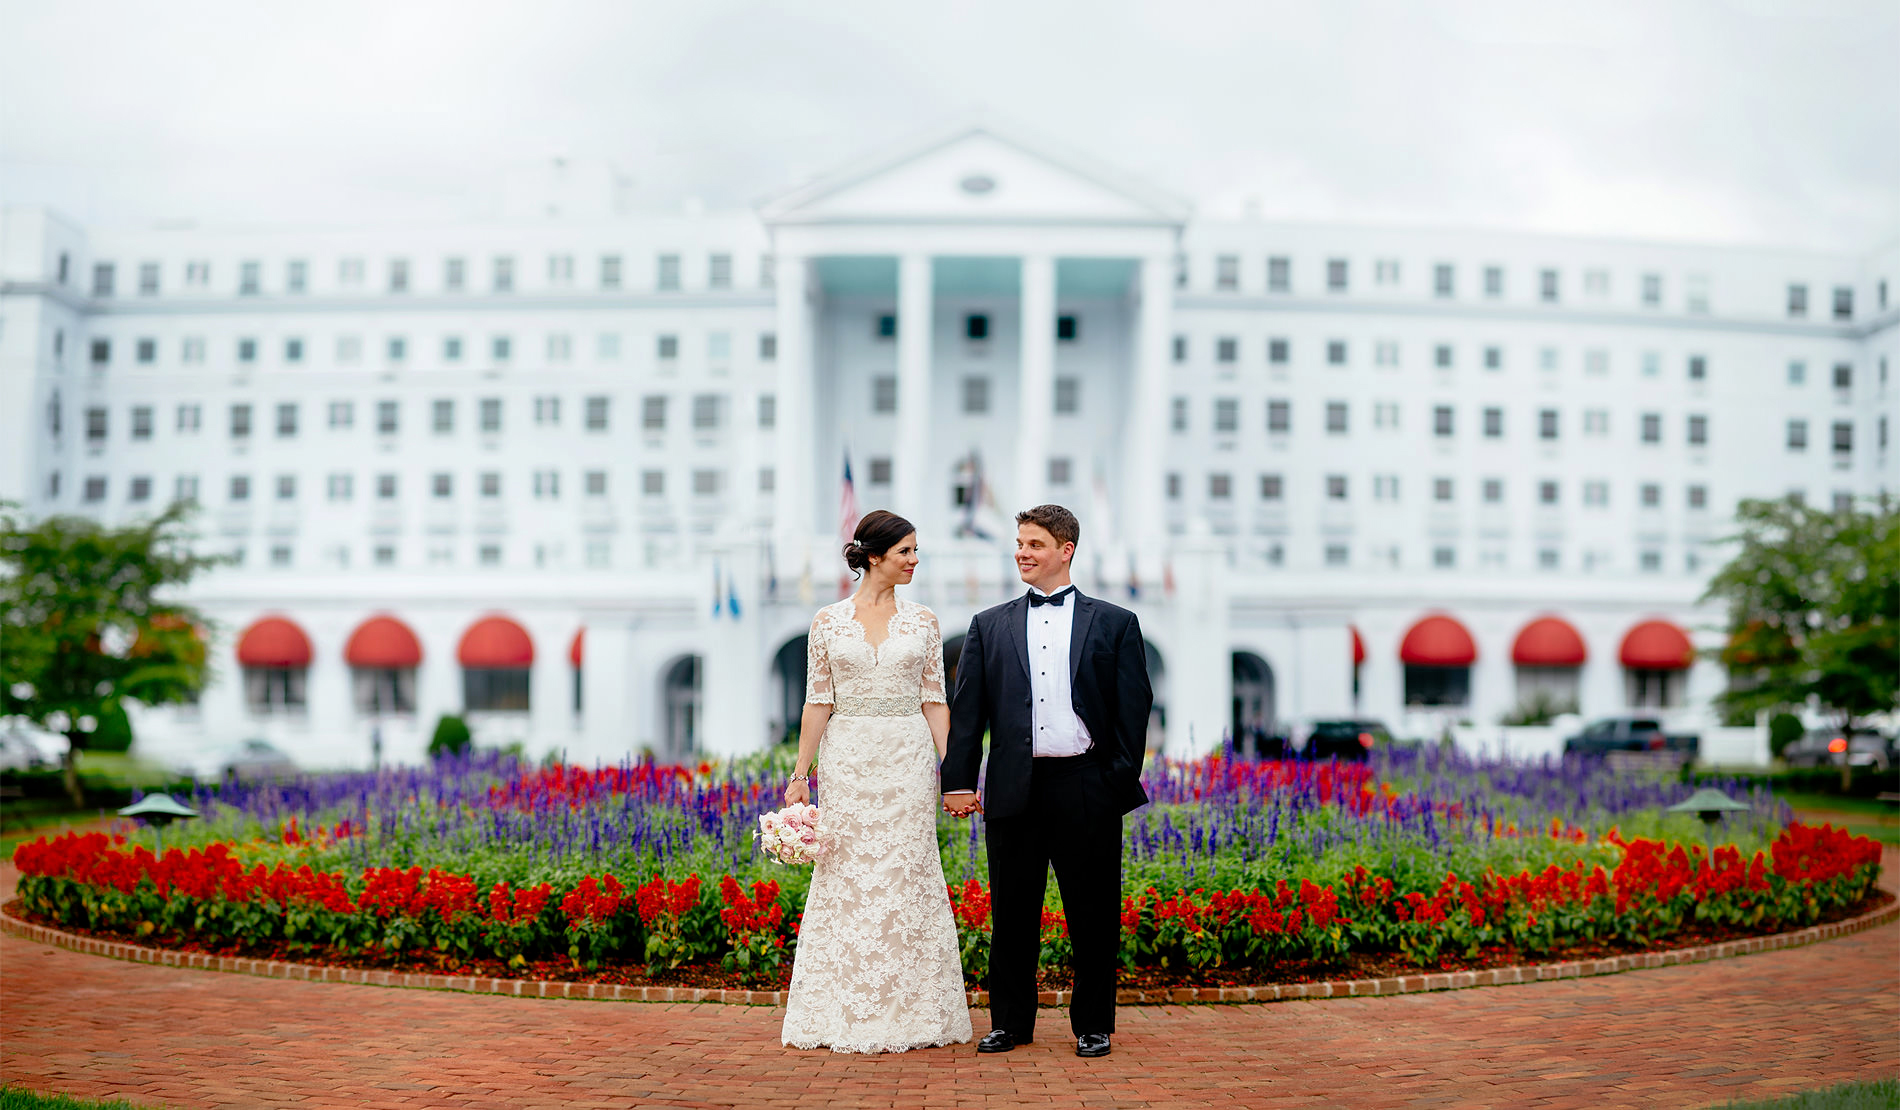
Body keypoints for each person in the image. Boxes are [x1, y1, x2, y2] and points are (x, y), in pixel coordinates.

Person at [941, 504, 1152, 1059]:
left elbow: (1135, 710)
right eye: (1019, 543)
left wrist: (1115, 779)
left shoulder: (1116, 623)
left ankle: (1093, 1025)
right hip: (1014, 786)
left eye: (1034, 543)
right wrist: (958, 780)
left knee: (1094, 913)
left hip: (1087, 785)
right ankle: (1009, 1023)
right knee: (1012, 913)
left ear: (1066, 550)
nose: (1022, 553)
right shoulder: (989, 625)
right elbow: (970, 715)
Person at [780, 509, 973, 1053]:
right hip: (848, 759)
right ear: (874, 557)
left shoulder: (925, 622)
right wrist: (801, 775)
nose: (915, 561)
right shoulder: (827, 621)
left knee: (906, 871)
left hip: (907, 754)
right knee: (847, 874)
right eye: (906, 551)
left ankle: (911, 1009)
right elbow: (818, 700)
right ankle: (840, 1007)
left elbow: (935, 699)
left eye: (916, 551)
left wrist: (953, 769)